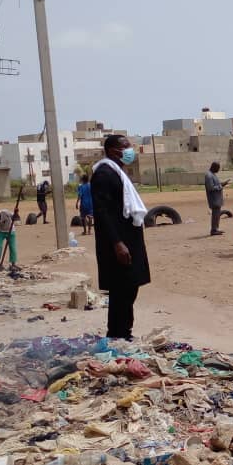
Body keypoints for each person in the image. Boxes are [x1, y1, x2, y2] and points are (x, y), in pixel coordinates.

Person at [92, 135, 150, 341]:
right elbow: (103, 212)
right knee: (121, 290)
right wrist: (117, 243)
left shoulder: (117, 172)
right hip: (118, 242)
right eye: (125, 146)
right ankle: (118, 334)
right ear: (113, 150)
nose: (130, 150)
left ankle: (123, 332)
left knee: (129, 288)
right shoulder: (104, 174)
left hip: (128, 238)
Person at [205, 161, 228, 236]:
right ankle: (213, 230)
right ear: (214, 167)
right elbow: (210, 188)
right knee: (215, 215)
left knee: (217, 215)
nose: (218, 170)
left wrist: (222, 183)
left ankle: (216, 229)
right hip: (214, 199)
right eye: (218, 168)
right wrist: (221, 186)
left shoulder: (213, 174)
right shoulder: (209, 175)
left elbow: (215, 185)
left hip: (217, 198)